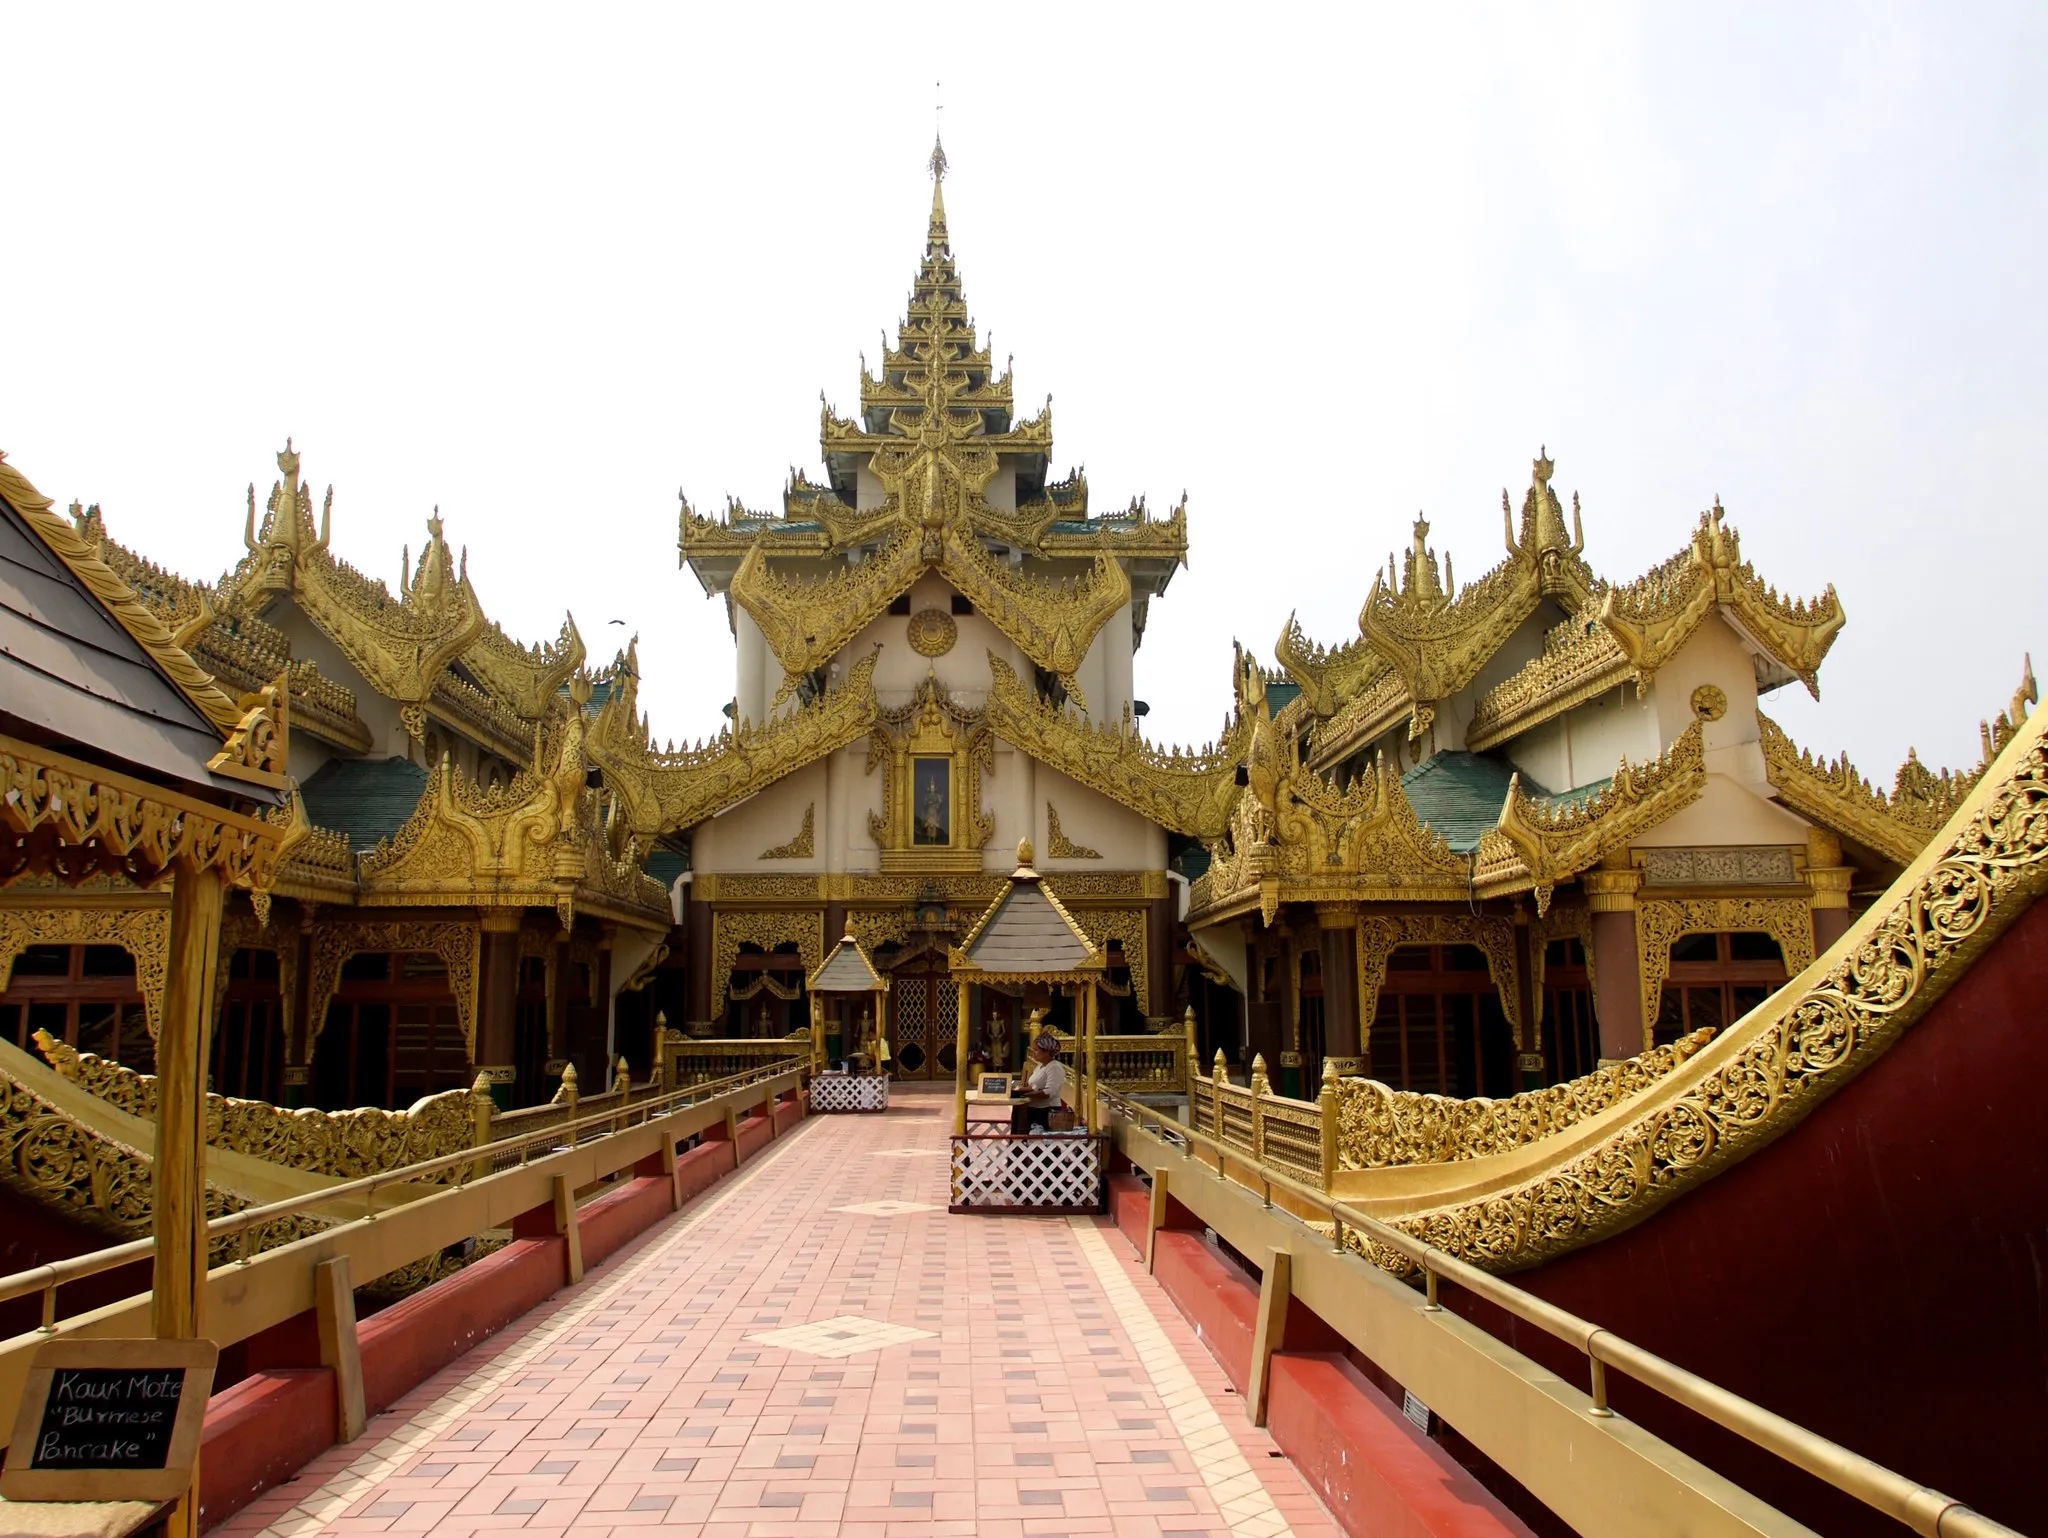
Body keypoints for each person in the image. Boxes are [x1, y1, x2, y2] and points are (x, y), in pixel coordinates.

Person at [1017, 1031, 1068, 1132]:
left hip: (1047, 1111)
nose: (1033, 1053)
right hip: (1034, 1109)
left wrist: (1026, 1094)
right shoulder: (1040, 1066)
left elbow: (1048, 1092)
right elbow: (1034, 1086)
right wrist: (1017, 1090)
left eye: (1036, 1050)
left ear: (1047, 1052)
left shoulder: (1054, 1067)